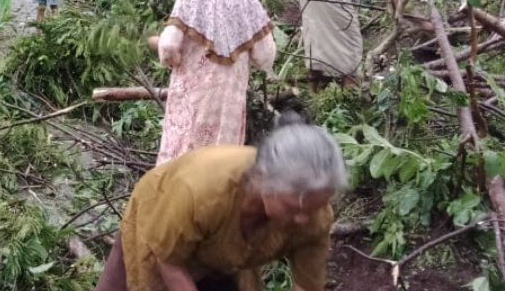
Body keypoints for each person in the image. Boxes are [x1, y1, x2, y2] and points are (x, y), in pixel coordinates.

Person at [94, 113, 348, 291]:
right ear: (266, 183)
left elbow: (307, 284)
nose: (304, 219)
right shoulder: (202, 191)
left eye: (315, 208)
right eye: (296, 209)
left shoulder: (315, 215)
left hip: (222, 254)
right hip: (161, 218)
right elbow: (169, 262)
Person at [154, 0, 276, 166]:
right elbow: (265, 55)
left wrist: (174, 61)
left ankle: (173, 189)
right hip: (229, 98)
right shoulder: (247, 2)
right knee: (222, 153)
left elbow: (169, 46)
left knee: (182, 143)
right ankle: (217, 195)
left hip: (191, 95)